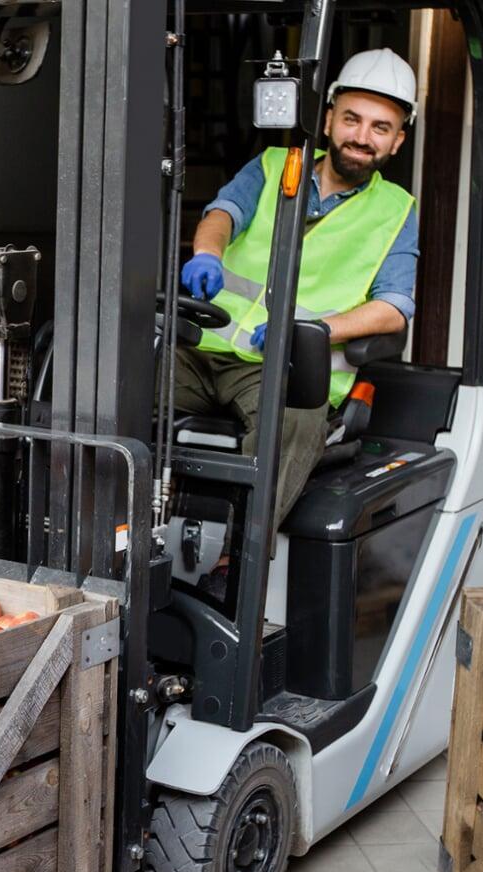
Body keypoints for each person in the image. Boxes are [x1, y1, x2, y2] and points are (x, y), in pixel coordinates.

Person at [175, 47, 421, 523]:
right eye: (352, 119)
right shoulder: (273, 166)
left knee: (294, 421)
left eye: (380, 128)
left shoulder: (396, 211)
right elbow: (223, 214)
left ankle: (238, 554)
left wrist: (311, 331)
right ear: (328, 121)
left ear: (397, 142)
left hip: (284, 371)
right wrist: (207, 254)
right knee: (111, 380)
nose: (362, 137)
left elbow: (393, 308)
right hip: (201, 350)